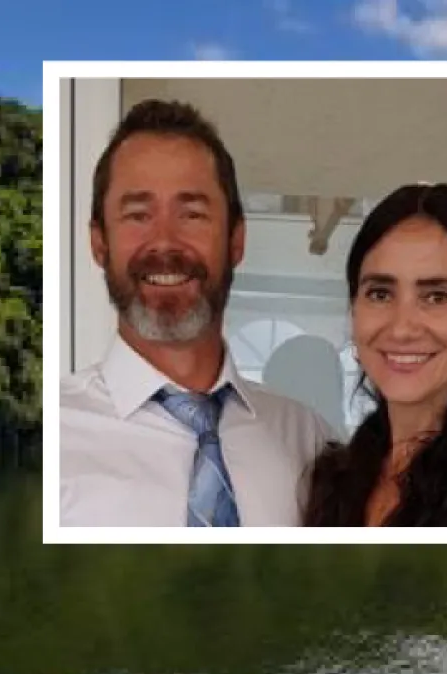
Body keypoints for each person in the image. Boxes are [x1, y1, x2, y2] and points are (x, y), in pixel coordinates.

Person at [60, 99, 336, 527]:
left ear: (236, 240)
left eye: (192, 214)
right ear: (99, 242)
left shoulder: (308, 442)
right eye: (137, 214)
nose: (165, 242)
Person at [302, 183, 447, 527]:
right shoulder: (331, 481)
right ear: (354, 309)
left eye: (437, 297)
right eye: (380, 293)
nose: (401, 328)